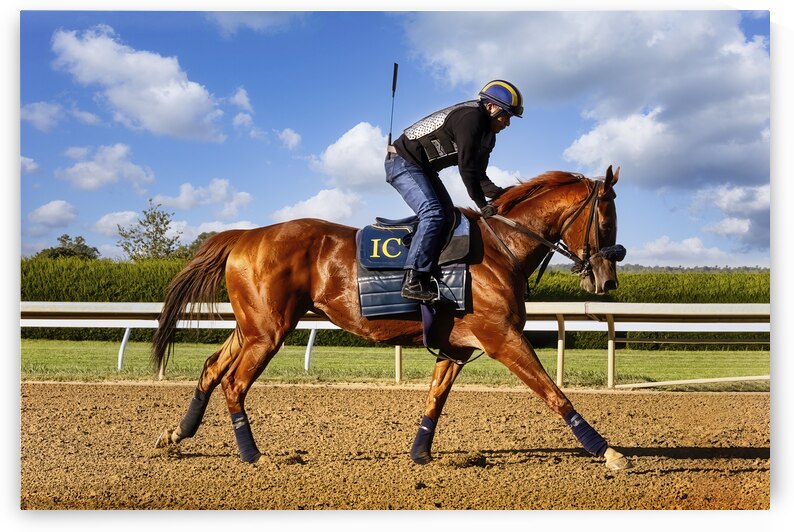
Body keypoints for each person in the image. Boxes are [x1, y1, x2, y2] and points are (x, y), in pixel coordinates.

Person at [385, 79, 524, 302]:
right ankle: (413, 280)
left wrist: (503, 197)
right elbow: (466, 168)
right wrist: (481, 204)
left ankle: (424, 255)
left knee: (449, 216)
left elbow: (479, 175)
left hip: (424, 169)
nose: (507, 123)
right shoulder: (472, 119)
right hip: (401, 162)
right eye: (505, 115)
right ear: (490, 107)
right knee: (433, 213)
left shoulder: (489, 137)